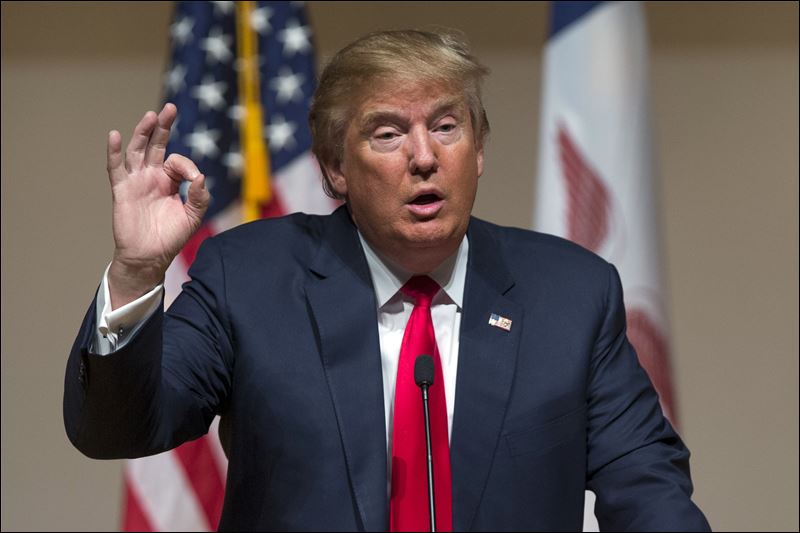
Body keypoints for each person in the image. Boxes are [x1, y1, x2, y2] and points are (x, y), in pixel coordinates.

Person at [64, 30, 710, 531]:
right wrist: (137, 270)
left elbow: (647, 488)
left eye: (447, 127)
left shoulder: (571, 293)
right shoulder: (251, 276)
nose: (424, 156)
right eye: (388, 132)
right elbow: (116, 429)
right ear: (334, 169)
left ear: (478, 150)